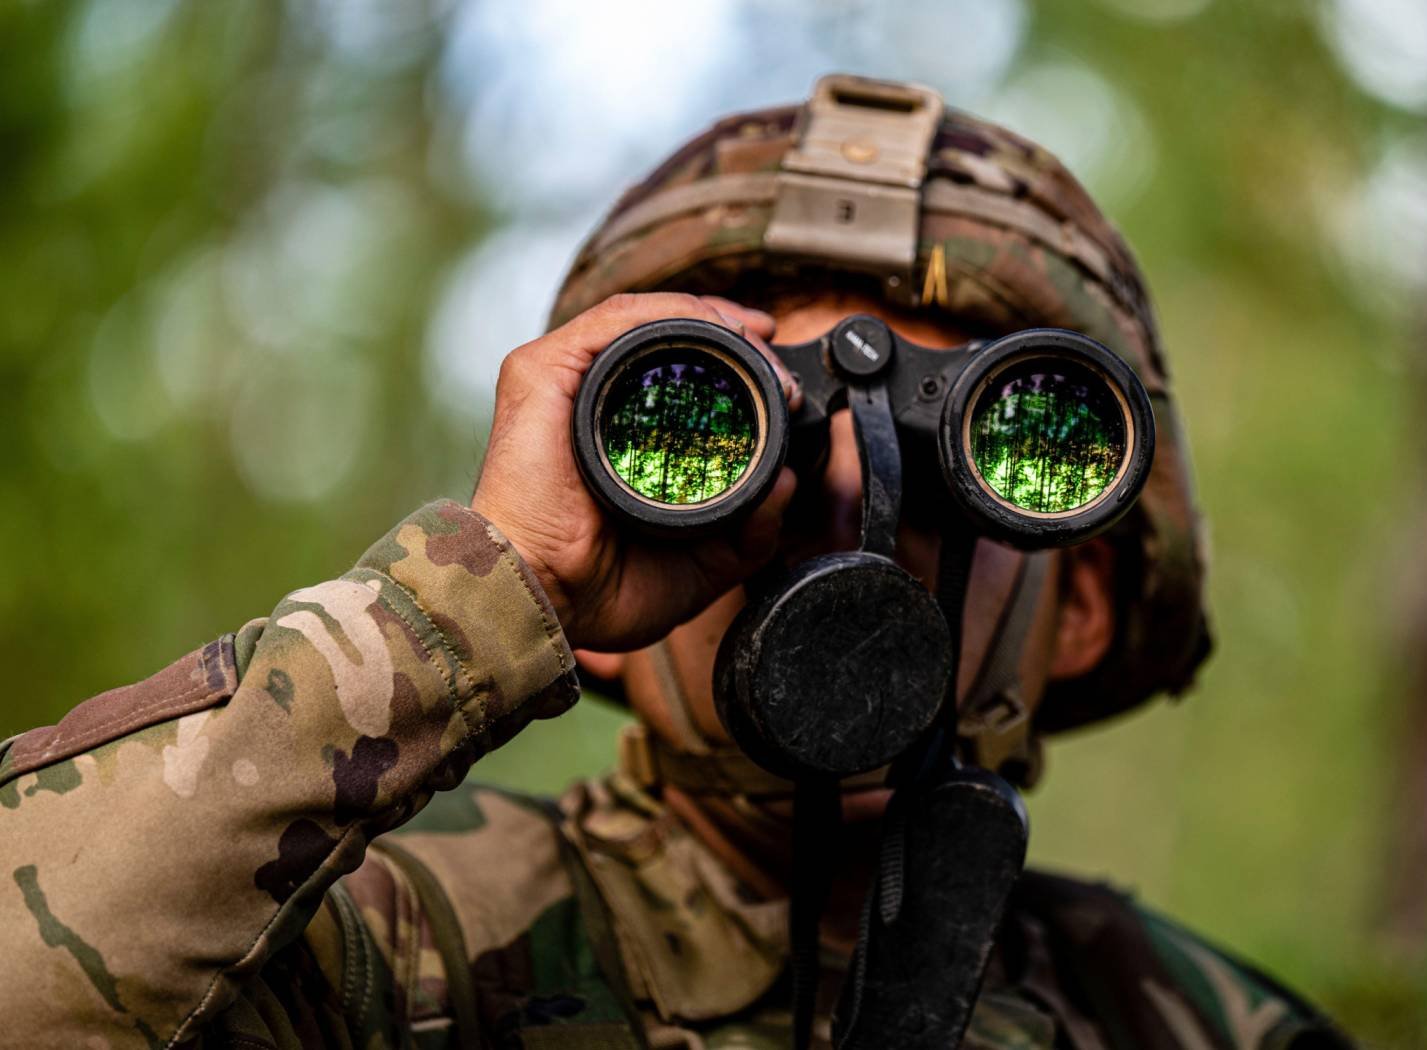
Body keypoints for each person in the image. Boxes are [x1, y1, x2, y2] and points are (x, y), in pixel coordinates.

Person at [0, 76, 1352, 1049]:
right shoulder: (388, 949)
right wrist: (478, 593)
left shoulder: (1195, 1022)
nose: (851, 493)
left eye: (993, 452)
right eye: (716, 434)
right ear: (592, 612)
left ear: (1084, 607)